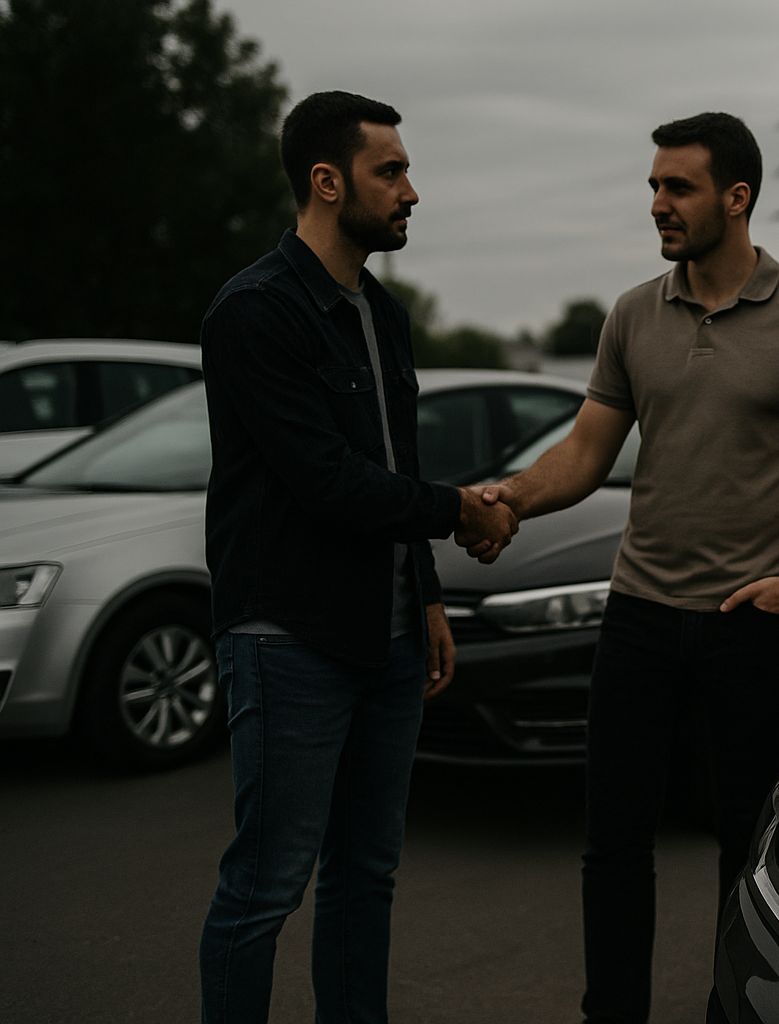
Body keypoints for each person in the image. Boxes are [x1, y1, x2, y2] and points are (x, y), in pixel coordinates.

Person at [471, 112, 779, 1023]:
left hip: (754, 621)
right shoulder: (634, 313)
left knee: (745, 848)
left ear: (736, 198)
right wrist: (509, 498)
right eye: (654, 186)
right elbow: (584, 454)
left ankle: (730, 1013)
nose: (658, 203)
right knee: (613, 843)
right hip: (638, 613)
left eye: (679, 187)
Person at [197, 90, 514, 1024]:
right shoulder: (255, 311)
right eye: (392, 171)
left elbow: (393, 466)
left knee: (365, 875)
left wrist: (426, 598)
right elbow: (327, 481)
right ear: (327, 183)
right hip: (289, 639)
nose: (411, 191)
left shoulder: (384, 313)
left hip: (390, 641)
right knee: (265, 887)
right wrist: (460, 509)